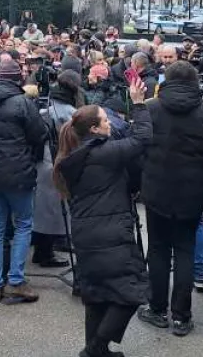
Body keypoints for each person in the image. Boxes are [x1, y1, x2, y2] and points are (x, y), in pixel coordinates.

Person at [52, 79, 149, 357]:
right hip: (110, 233)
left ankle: (99, 350)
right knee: (132, 291)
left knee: (96, 295)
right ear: (93, 129)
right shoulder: (104, 153)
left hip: (86, 232)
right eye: (106, 121)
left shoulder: (74, 157)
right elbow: (142, 139)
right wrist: (139, 104)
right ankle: (94, 349)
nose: (110, 124)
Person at [137, 61, 203, 337]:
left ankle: (158, 308)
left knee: (159, 249)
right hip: (191, 190)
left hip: (156, 188)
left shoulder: (151, 109)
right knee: (184, 250)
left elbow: (139, 145)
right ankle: (182, 316)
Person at [0, 53, 49, 304]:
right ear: (17, 78)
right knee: (23, 224)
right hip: (18, 172)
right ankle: (15, 280)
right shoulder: (22, 102)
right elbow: (39, 134)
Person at [34, 70, 83, 269]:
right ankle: (45, 254)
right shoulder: (70, 113)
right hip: (57, 163)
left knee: (43, 209)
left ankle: (41, 251)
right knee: (53, 211)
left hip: (42, 161)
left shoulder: (45, 105)